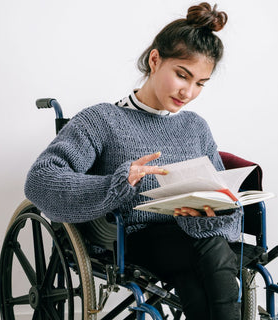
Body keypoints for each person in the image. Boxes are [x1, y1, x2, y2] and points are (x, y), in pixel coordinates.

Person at [25, 3, 241, 319]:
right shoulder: (101, 119)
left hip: (190, 243)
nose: (189, 92)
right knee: (210, 250)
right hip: (132, 239)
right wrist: (118, 183)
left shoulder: (195, 126)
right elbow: (40, 179)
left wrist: (210, 211)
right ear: (155, 60)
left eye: (199, 83)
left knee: (198, 281)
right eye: (182, 75)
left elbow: (222, 201)